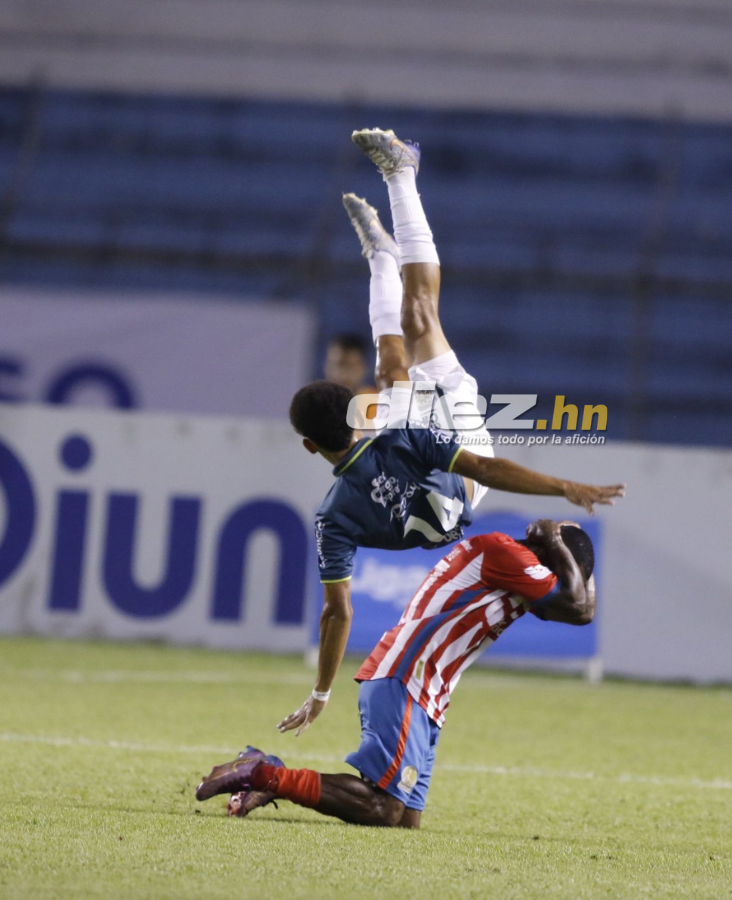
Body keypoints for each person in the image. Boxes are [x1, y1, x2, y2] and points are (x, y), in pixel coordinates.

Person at [280, 128, 624, 738]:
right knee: (407, 335)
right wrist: (565, 486)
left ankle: (398, 186)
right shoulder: (337, 514)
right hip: (459, 482)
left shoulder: (386, 444)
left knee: (409, 327)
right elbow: (338, 609)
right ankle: (386, 245)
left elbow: (338, 612)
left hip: (453, 449)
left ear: (312, 442)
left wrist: (321, 694)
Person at [196, 519, 595, 828]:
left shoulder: (519, 571)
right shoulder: (504, 552)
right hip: (408, 676)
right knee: (383, 807)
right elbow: (580, 607)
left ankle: (268, 775)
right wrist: (558, 540)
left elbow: (581, 608)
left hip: (428, 690)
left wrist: (557, 541)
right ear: (547, 558)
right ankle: (262, 772)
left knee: (403, 822)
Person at [323, 333, 378, 430]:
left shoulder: (378, 406)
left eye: (348, 366)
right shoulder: (315, 406)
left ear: (364, 367)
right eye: (334, 365)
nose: (340, 373)